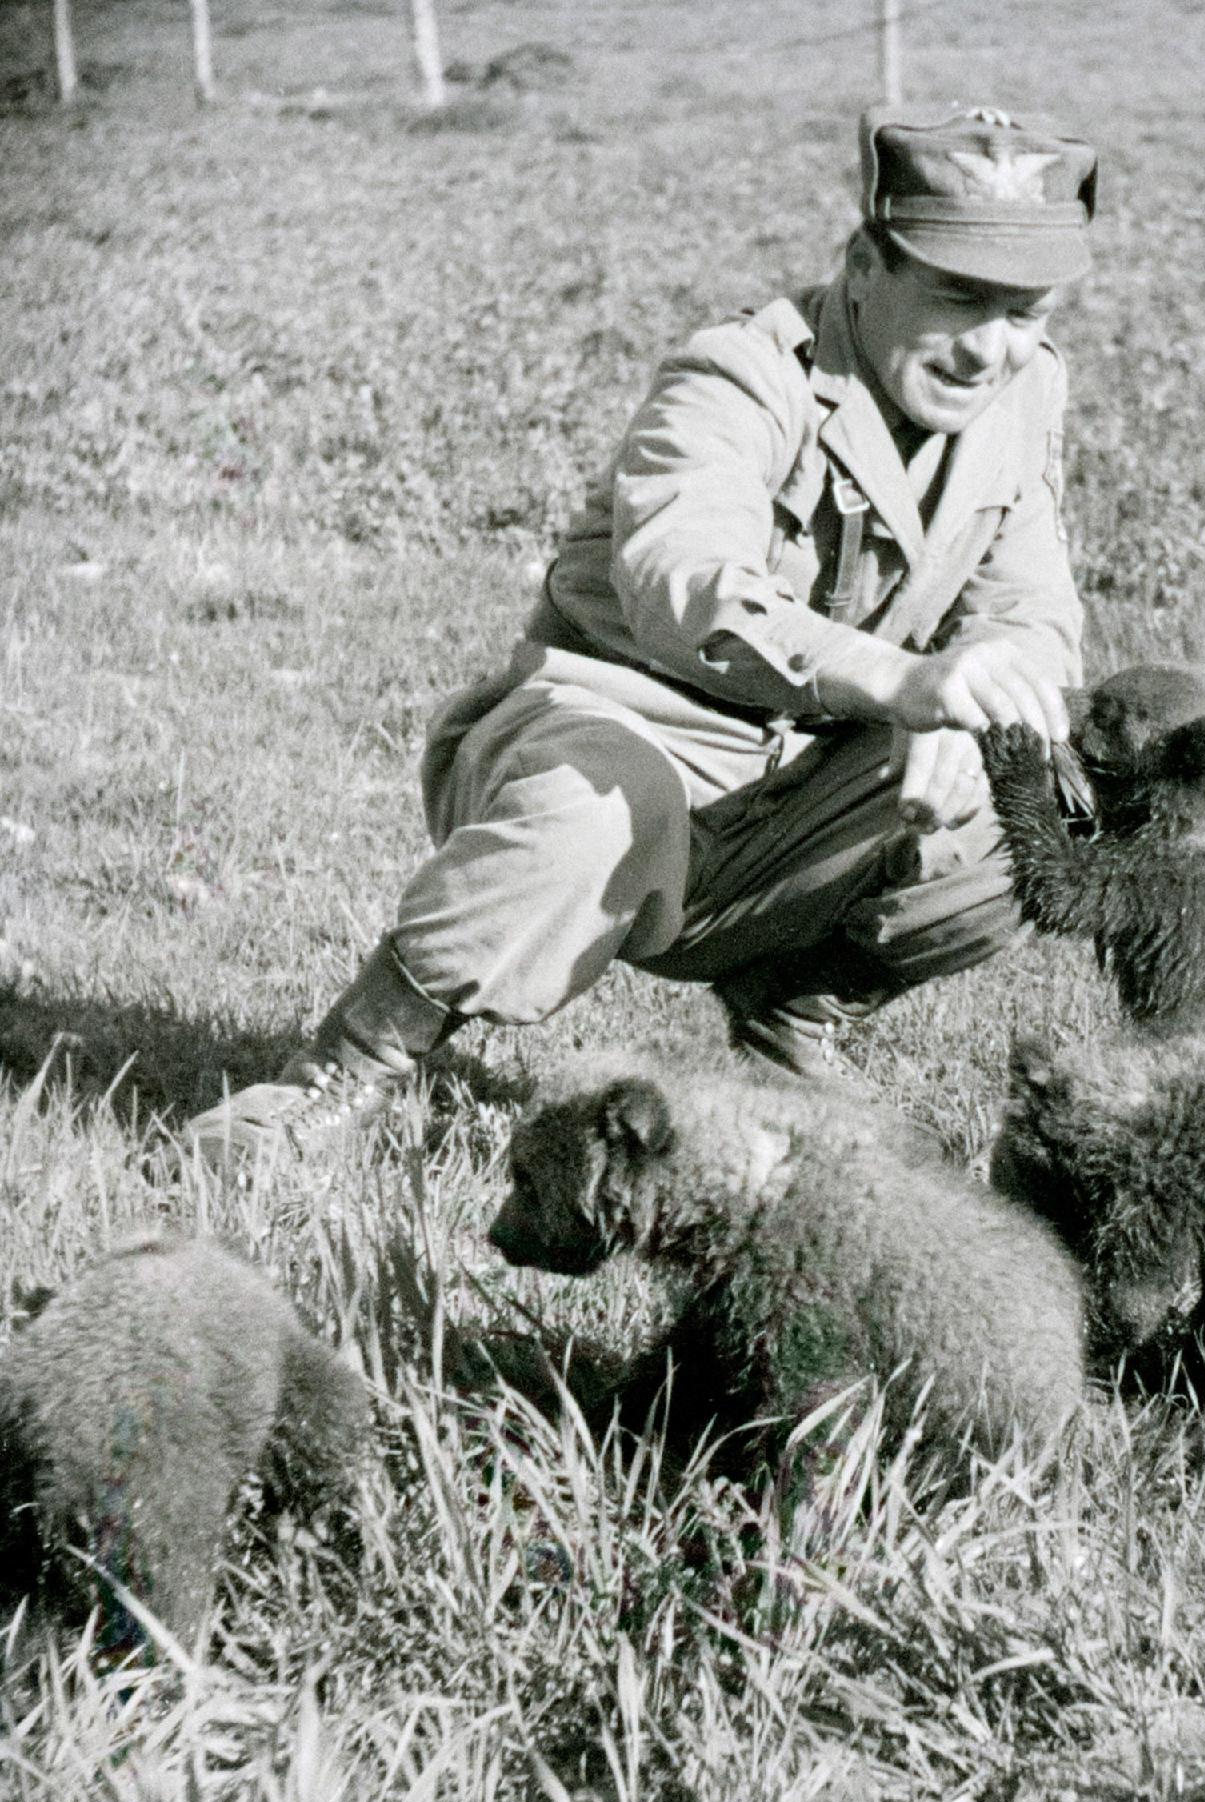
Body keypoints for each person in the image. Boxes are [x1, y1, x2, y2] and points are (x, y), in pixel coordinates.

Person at [180, 104, 1098, 1176]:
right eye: (957, 297)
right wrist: (905, 679)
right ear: (863, 264)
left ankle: (787, 1018)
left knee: (1057, 798)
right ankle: (339, 1078)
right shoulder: (739, 377)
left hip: (797, 804)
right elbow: (684, 582)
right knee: (596, 800)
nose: (991, 346)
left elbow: (1032, 611)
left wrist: (982, 705)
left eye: (1024, 311)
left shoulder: (1026, 393)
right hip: (612, 738)